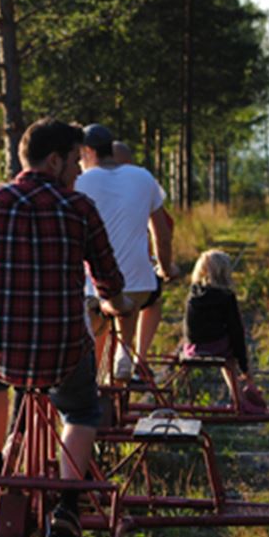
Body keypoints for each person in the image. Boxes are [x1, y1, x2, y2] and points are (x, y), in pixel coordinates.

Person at [0, 117, 129, 537]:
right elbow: (109, 282)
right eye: (76, 164)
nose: (81, 173)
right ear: (55, 160)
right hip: (62, 354)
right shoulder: (79, 209)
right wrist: (116, 306)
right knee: (82, 410)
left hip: (3, 355)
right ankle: (67, 503)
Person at [75, 125, 174, 381]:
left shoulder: (78, 182)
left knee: (95, 306)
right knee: (135, 292)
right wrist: (165, 267)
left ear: (87, 151)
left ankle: (91, 377)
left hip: (91, 289)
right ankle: (126, 351)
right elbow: (162, 234)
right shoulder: (144, 177)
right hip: (136, 286)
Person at [112, 140, 178, 362]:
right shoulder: (141, 182)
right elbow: (163, 230)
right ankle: (138, 357)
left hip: (94, 283)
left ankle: (101, 369)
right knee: (152, 300)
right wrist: (165, 267)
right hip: (133, 281)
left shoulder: (89, 182)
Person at [182, 249, 265, 412]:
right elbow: (236, 332)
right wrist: (245, 366)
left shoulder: (193, 294)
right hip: (215, 348)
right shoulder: (226, 297)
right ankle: (242, 395)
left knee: (222, 345)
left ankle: (241, 395)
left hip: (192, 349)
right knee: (230, 353)